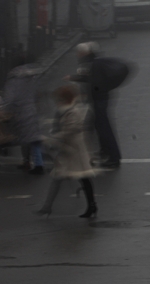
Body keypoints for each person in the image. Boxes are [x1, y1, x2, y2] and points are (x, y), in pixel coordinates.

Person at [35, 85, 97, 218]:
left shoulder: (73, 112)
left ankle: (91, 205)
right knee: (64, 177)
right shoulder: (68, 110)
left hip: (74, 151)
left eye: (59, 99)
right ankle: (48, 206)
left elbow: (70, 130)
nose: (57, 102)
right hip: (69, 150)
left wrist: (52, 139)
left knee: (81, 178)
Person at [65, 42, 122, 168]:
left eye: (79, 52)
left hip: (98, 99)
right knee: (99, 127)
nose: (78, 55)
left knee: (103, 128)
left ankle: (113, 156)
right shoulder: (94, 62)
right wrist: (74, 78)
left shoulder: (91, 63)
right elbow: (90, 78)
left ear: (85, 52)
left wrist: (88, 91)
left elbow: (92, 80)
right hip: (99, 99)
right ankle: (105, 152)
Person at [2, 53, 45, 174]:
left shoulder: (13, 79)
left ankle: (32, 163)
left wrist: (4, 111)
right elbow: (38, 93)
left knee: (24, 138)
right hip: (32, 109)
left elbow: (10, 98)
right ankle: (37, 162)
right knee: (33, 138)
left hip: (20, 112)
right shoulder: (32, 76)